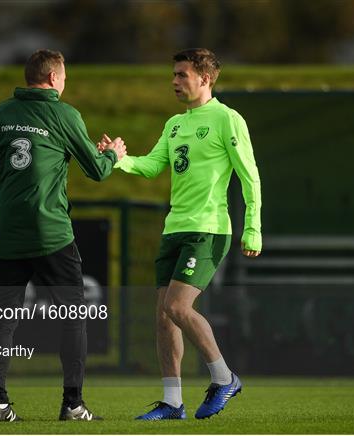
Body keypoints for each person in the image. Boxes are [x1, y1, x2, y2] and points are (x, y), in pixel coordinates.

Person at [0, 49, 126, 422]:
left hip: (7, 236)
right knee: (72, 317)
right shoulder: (64, 114)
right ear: (53, 78)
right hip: (52, 235)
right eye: (64, 77)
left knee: (5, 318)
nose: (65, 83)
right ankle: (73, 403)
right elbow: (97, 171)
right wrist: (113, 154)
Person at [99, 48, 261, 420]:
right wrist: (118, 158)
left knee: (177, 307)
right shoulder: (175, 124)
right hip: (175, 229)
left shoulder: (227, 119)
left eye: (181, 75)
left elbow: (249, 175)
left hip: (207, 230)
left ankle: (224, 378)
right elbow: (153, 165)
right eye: (173, 75)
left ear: (204, 79)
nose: (174, 81)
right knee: (163, 316)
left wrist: (253, 228)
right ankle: (173, 402)